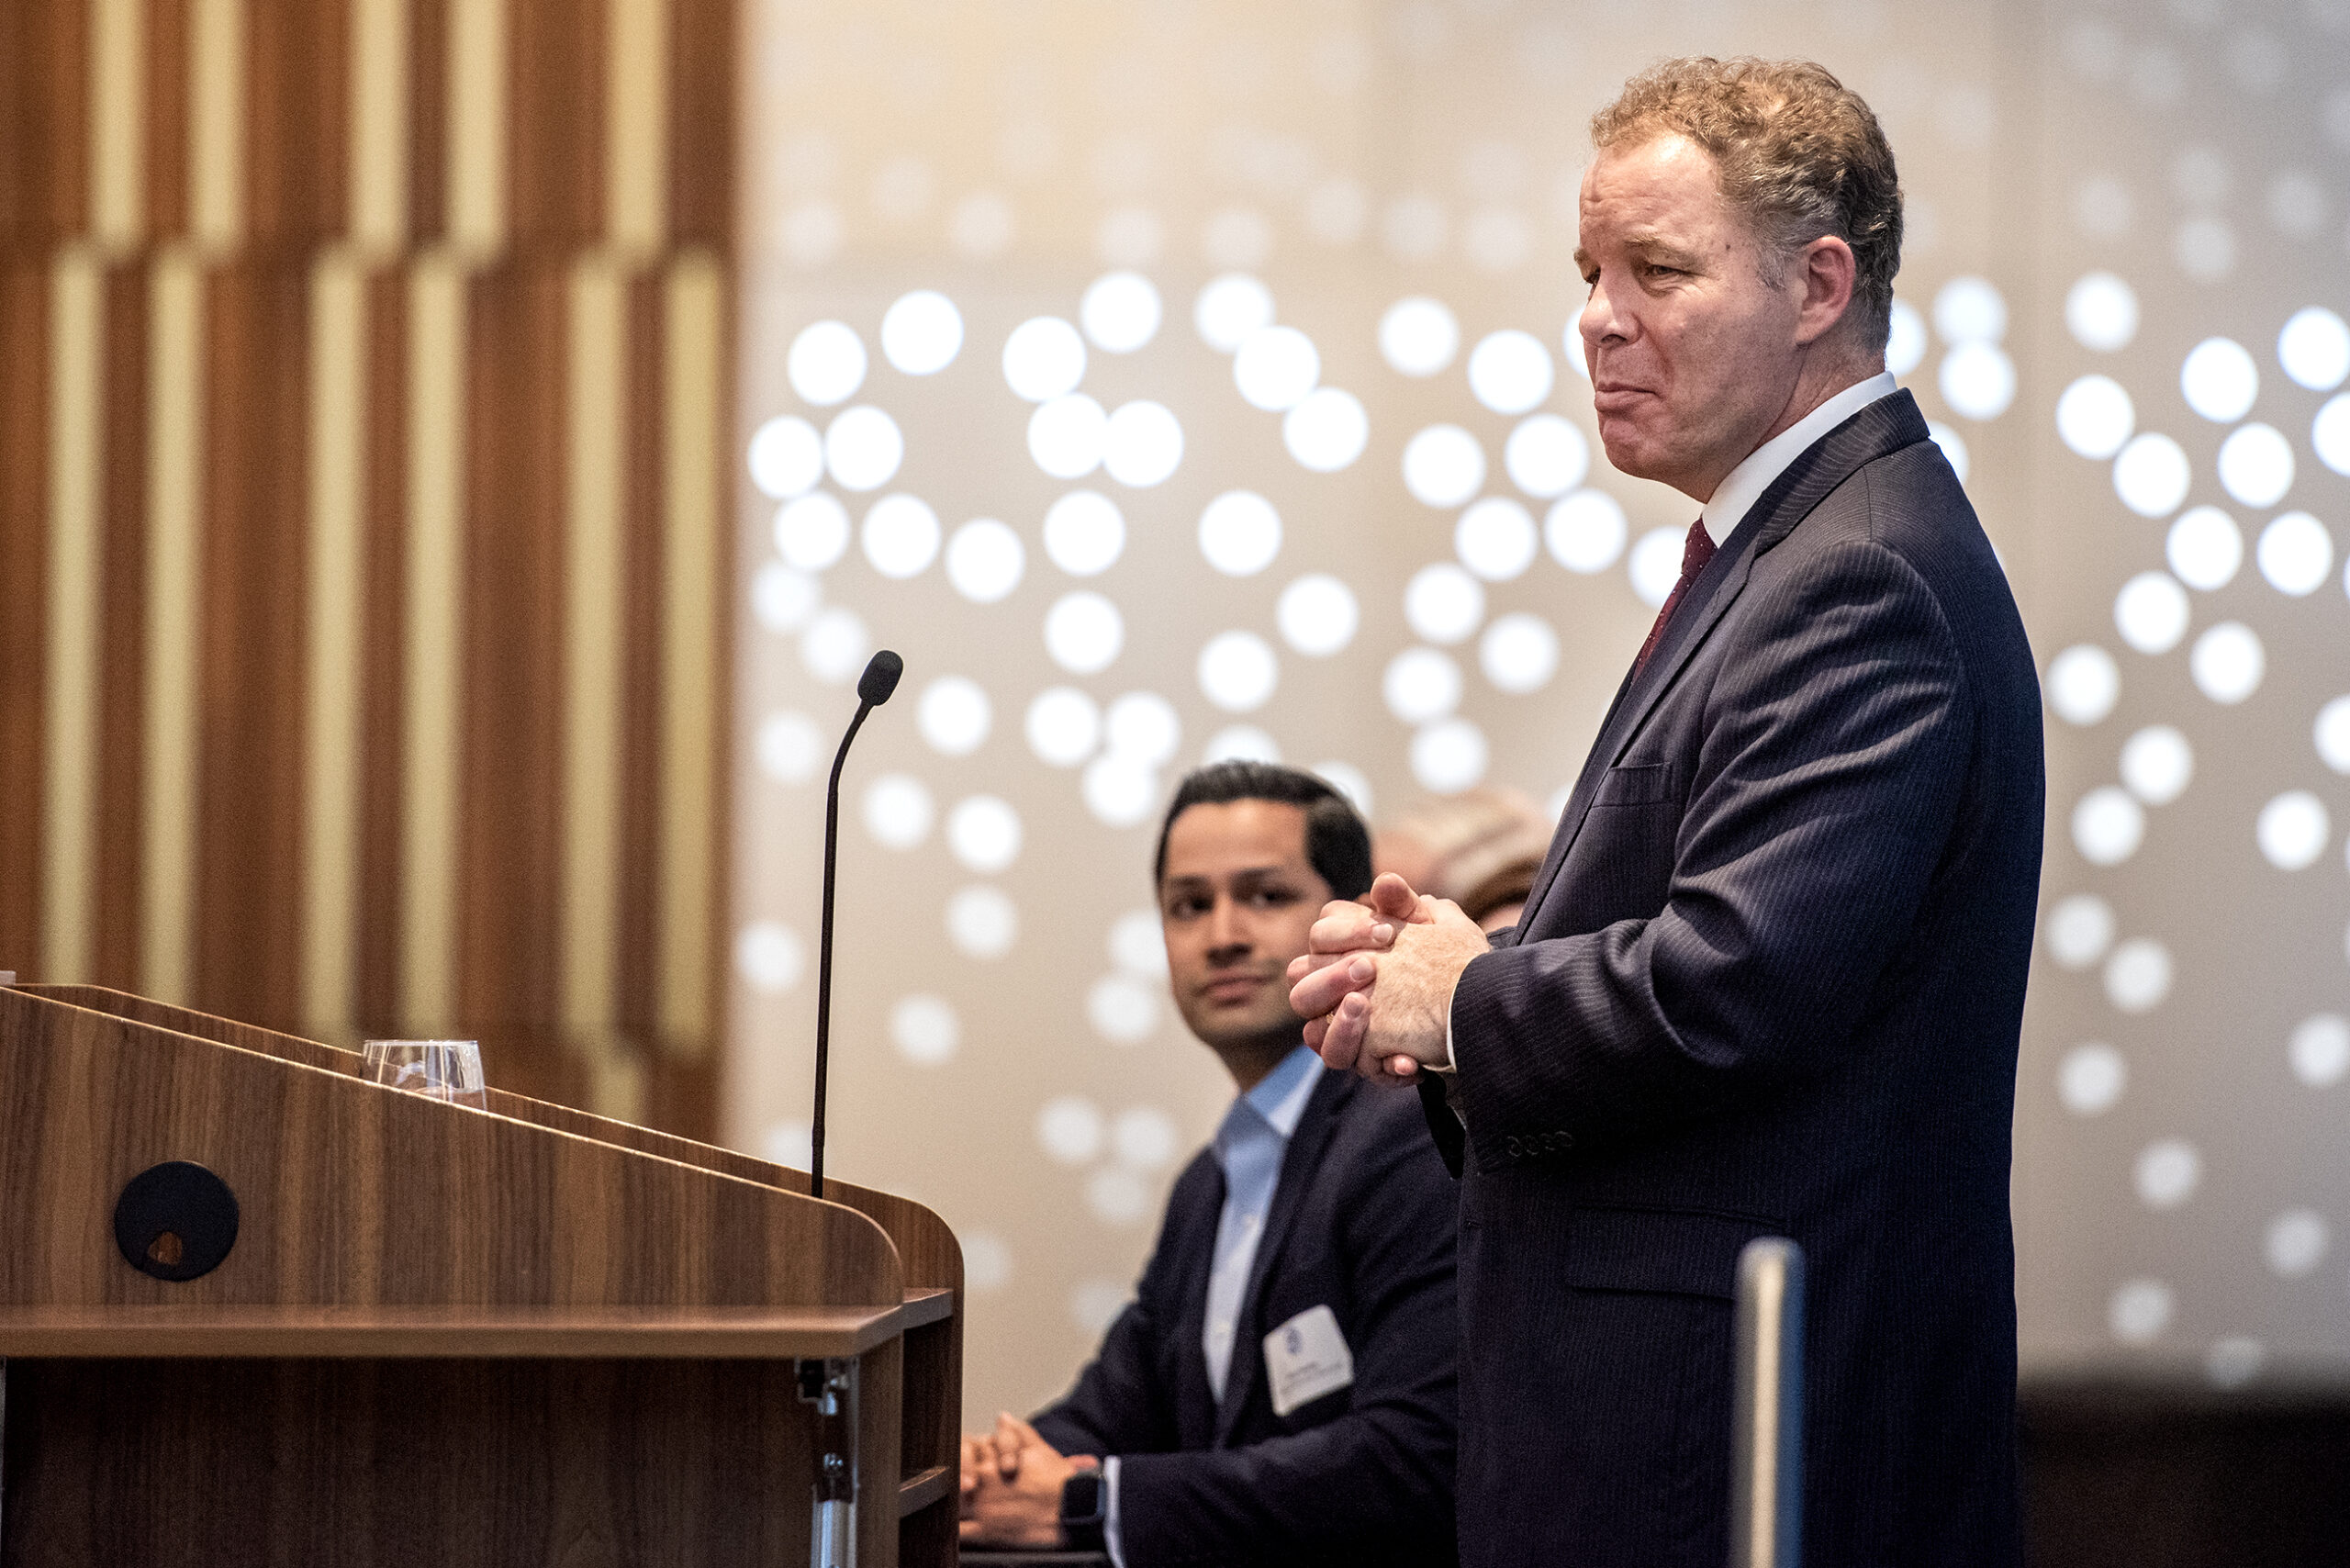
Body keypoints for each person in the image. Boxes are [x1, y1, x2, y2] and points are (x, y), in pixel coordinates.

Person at [1290, 58, 2042, 1568]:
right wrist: (1452, 968)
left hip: (1742, 1438)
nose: (1597, 317)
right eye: (1588, 271)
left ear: (1820, 281)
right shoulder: (1789, 548)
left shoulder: (1859, 573)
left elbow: (1734, 985)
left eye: (1659, 270)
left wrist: (1470, 1000)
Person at [959, 762, 1459, 1567]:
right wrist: (994, 1473)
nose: (1223, 934)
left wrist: (1091, 1502)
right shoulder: (1212, 1180)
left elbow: (1413, 1458)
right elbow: (1115, 1409)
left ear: (1357, 920)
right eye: (1189, 906)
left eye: (1265, 895)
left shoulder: (1412, 1133)